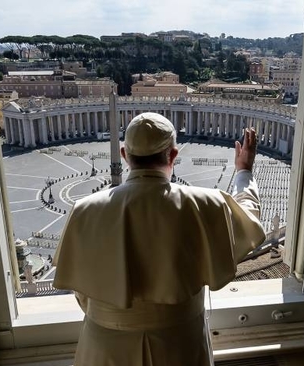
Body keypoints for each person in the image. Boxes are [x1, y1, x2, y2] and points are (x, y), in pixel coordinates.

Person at [53, 112, 265, 366]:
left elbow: (82, 293)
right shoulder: (207, 203)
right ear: (173, 155)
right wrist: (244, 171)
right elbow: (249, 220)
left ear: (124, 155)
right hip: (179, 344)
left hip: (104, 347)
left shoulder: (84, 210)